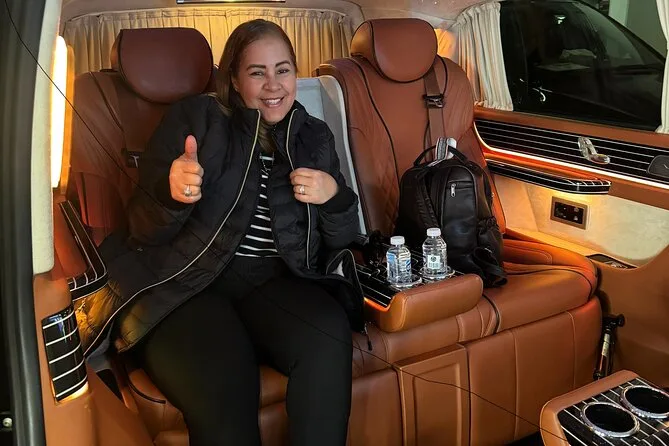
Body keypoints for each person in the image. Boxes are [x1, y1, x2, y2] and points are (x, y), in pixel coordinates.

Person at [91, 19, 363, 446]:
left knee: (329, 335)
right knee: (226, 380)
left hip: (271, 281)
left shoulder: (313, 135)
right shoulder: (195, 119)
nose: (273, 85)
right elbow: (142, 229)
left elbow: (341, 240)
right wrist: (171, 194)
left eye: (283, 70)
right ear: (234, 80)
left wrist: (334, 196)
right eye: (257, 72)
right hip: (187, 283)